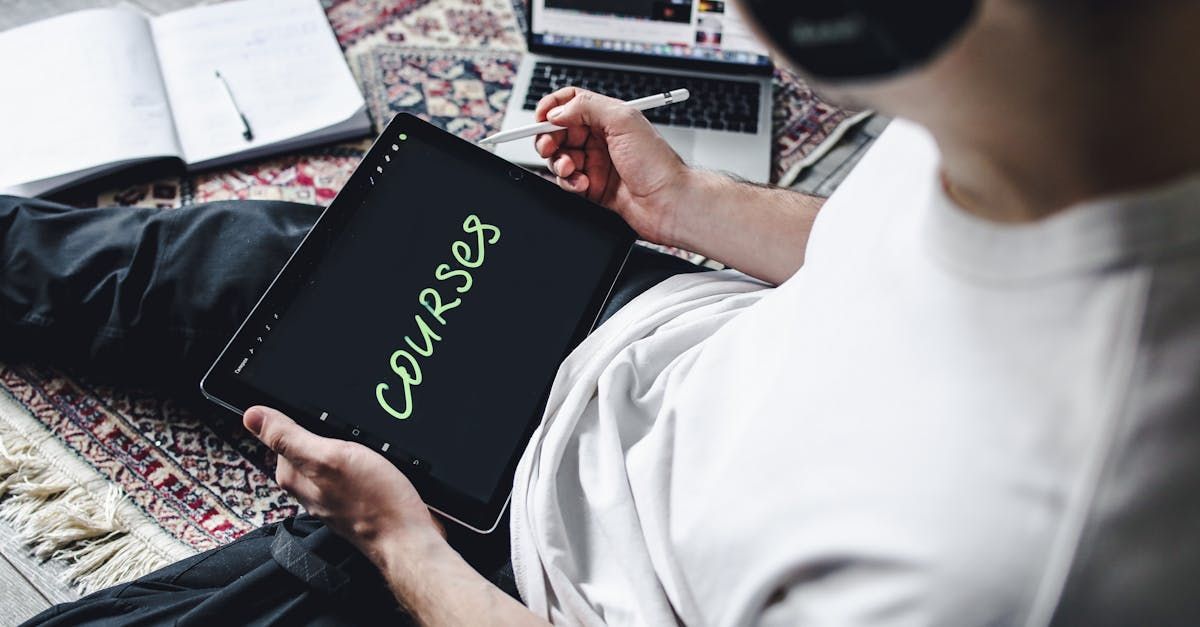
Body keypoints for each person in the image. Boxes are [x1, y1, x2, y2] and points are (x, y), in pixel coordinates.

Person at [11, 0, 1200, 624]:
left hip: (521, 560)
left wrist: (398, 544)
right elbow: (888, 251)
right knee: (211, 256)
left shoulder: (1001, 570)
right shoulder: (1072, 122)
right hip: (637, 316)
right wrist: (691, 206)